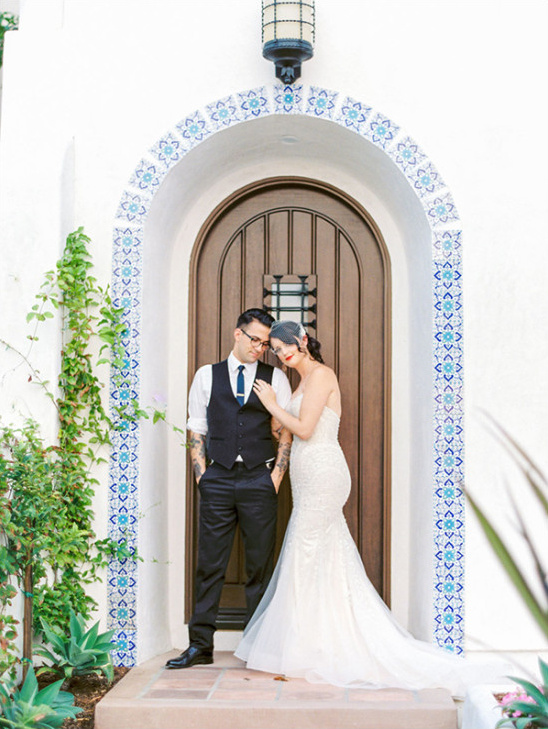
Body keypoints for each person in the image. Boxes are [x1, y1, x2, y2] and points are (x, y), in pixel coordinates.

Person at [235, 320, 507, 696]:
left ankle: (305, 646)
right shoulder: (302, 382)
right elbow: (289, 429)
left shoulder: (320, 376)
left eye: (287, 348)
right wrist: (274, 418)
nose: (283, 356)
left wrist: (271, 405)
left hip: (324, 473)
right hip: (307, 474)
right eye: (277, 352)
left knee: (305, 548)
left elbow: (306, 429)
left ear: (303, 340)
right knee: (321, 554)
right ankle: (317, 638)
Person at [166, 309, 292, 669]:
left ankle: (259, 648)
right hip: (218, 478)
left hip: (259, 478)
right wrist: (202, 476)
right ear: (237, 334)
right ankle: (200, 646)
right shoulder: (207, 376)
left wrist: (276, 478)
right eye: (254, 339)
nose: (260, 348)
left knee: (259, 567)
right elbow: (197, 428)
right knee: (209, 564)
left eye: (265, 343)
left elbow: (284, 430)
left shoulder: (276, 378)